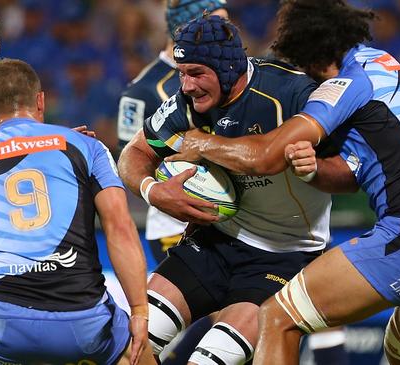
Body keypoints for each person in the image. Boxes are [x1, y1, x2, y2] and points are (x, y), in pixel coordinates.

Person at [165, 1, 400, 364]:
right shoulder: (385, 69)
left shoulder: (347, 81)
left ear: (314, 60)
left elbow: (267, 155)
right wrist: (312, 171)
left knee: (276, 317)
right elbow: (352, 172)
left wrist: (201, 143)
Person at [118, 14, 333, 364]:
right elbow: (134, 153)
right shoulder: (186, 102)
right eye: (181, 72)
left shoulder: (291, 94)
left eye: (196, 73)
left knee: (206, 361)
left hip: (284, 253)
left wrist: (202, 144)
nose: (186, 85)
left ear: (230, 68)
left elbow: (267, 159)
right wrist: (151, 191)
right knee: (129, 344)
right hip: (213, 243)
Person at [0, 59, 153, 365]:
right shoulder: (87, 147)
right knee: (138, 351)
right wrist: (139, 312)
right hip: (85, 321)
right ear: (41, 101)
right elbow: (121, 229)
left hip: (3, 327)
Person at [118, 0, 227, 277]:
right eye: (216, 23)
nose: (225, 33)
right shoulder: (141, 91)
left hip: (228, 216)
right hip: (174, 225)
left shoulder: (227, 76)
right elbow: (129, 160)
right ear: (185, 28)